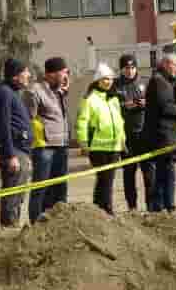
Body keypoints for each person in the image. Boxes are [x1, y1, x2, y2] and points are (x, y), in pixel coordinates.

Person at [24, 57, 70, 224]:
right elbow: (28, 119)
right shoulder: (34, 92)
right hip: (44, 148)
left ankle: (59, 223)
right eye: (63, 73)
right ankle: (36, 224)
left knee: (60, 187)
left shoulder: (59, 91)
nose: (66, 76)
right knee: (41, 188)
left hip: (61, 146)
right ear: (51, 74)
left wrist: (63, 91)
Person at [76, 63, 126, 215]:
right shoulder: (90, 99)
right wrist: (83, 142)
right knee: (105, 180)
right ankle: (106, 209)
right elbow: (82, 121)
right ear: (97, 80)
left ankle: (98, 210)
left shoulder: (113, 99)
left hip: (114, 146)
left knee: (106, 180)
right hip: (98, 147)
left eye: (110, 79)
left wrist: (123, 140)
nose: (108, 82)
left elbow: (119, 121)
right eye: (105, 79)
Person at [0, 59, 33, 229]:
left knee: (18, 195)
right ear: (15, 75)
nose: (28, 75)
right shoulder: (4, 94)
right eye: (25, 71)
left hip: (21, 151)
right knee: (12, 194)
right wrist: (10, 155)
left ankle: (13, 226)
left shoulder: (14, 93)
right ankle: (9, 230)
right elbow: (3, 126)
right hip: (14, 152)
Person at [113, 55, 155, 211]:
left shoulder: (145, 81)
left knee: (149, 172)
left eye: (132, 68)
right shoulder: (116, 85)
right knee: (129, 172)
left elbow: (156, 101)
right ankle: (132, 207)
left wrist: (146, 102)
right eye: (126, 68)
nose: (129, 71)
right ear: (121, 69)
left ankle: (151, 206)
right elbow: (112, 105)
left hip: (144, 134)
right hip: (127, 135)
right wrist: (126, 105)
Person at [145, 53, 176, 213]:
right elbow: (164, 107)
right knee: (166, 173)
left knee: (164, 172)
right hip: (162, 135)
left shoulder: (166, 81)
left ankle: (162, 206)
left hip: (168, 134)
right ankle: (166, 206)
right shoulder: (158, 81)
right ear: (167, 64)